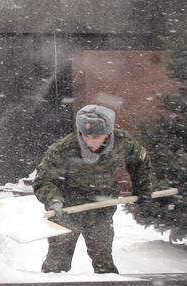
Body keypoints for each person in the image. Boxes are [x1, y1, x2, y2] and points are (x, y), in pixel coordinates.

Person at [32, 104, 153, 275]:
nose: (90, 141)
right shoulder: (63, 148)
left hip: (102, 208)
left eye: (97, 136)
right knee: (57, 264)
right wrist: (54, 201)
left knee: (104, 262)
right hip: (67, 209)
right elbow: (43, 180)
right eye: (85, 135)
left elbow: (140, 160)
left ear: (108, 133)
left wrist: (142, 189)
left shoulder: (123, 142)